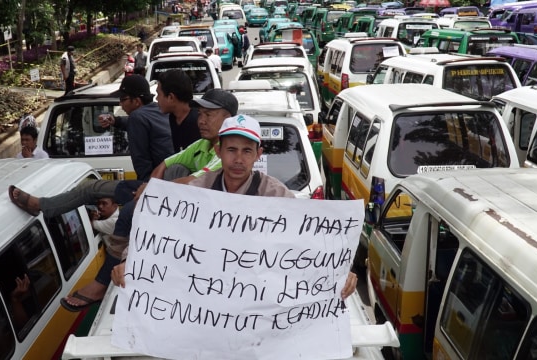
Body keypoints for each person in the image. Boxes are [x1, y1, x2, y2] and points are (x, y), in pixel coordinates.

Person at [111, 114, 358, 300]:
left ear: (258, 154)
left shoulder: (276, 195)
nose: (238, 159)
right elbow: (156, 229)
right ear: (218, 151)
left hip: (256, 296)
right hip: (205, 296)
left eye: (246, 151)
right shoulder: (197, 190)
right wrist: (129, 260)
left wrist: (337, 270)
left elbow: (307, 239)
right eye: (231, 150)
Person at [8, 89, 237, 252]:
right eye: (201, 114)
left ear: (229, 120)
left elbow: (194, 181)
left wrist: (151, 189)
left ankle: (108, 272)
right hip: (162, 194)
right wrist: (150, 186)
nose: (201, 120)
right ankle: (41, 205)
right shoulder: (202, 144)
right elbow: (165, 164)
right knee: (92, 188)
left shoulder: (227, 156)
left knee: (128, 215)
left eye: (209, 115)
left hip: (193, 224)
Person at [98, 74, 173, 181]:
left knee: (90, 190)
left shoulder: (136, 117)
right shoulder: (158, 109)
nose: (120, 104)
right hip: (171, 176)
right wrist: (116, 120)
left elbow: (141, 161)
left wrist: (145, 187)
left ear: (137, 101)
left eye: (123, 99)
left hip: (156, 182)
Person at [60, 197, 120, 311]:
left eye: (104, 204)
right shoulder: (111, 217)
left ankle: (98, 291)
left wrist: (93, 218)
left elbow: (93, 225)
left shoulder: (114, 222)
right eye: (98, 203)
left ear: (115, 205)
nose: (100, 207)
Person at [156, 70, 201, 153]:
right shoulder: (173, 117)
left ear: (171, 97)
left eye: (158, 94)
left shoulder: (198, 121)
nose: (156, 99)